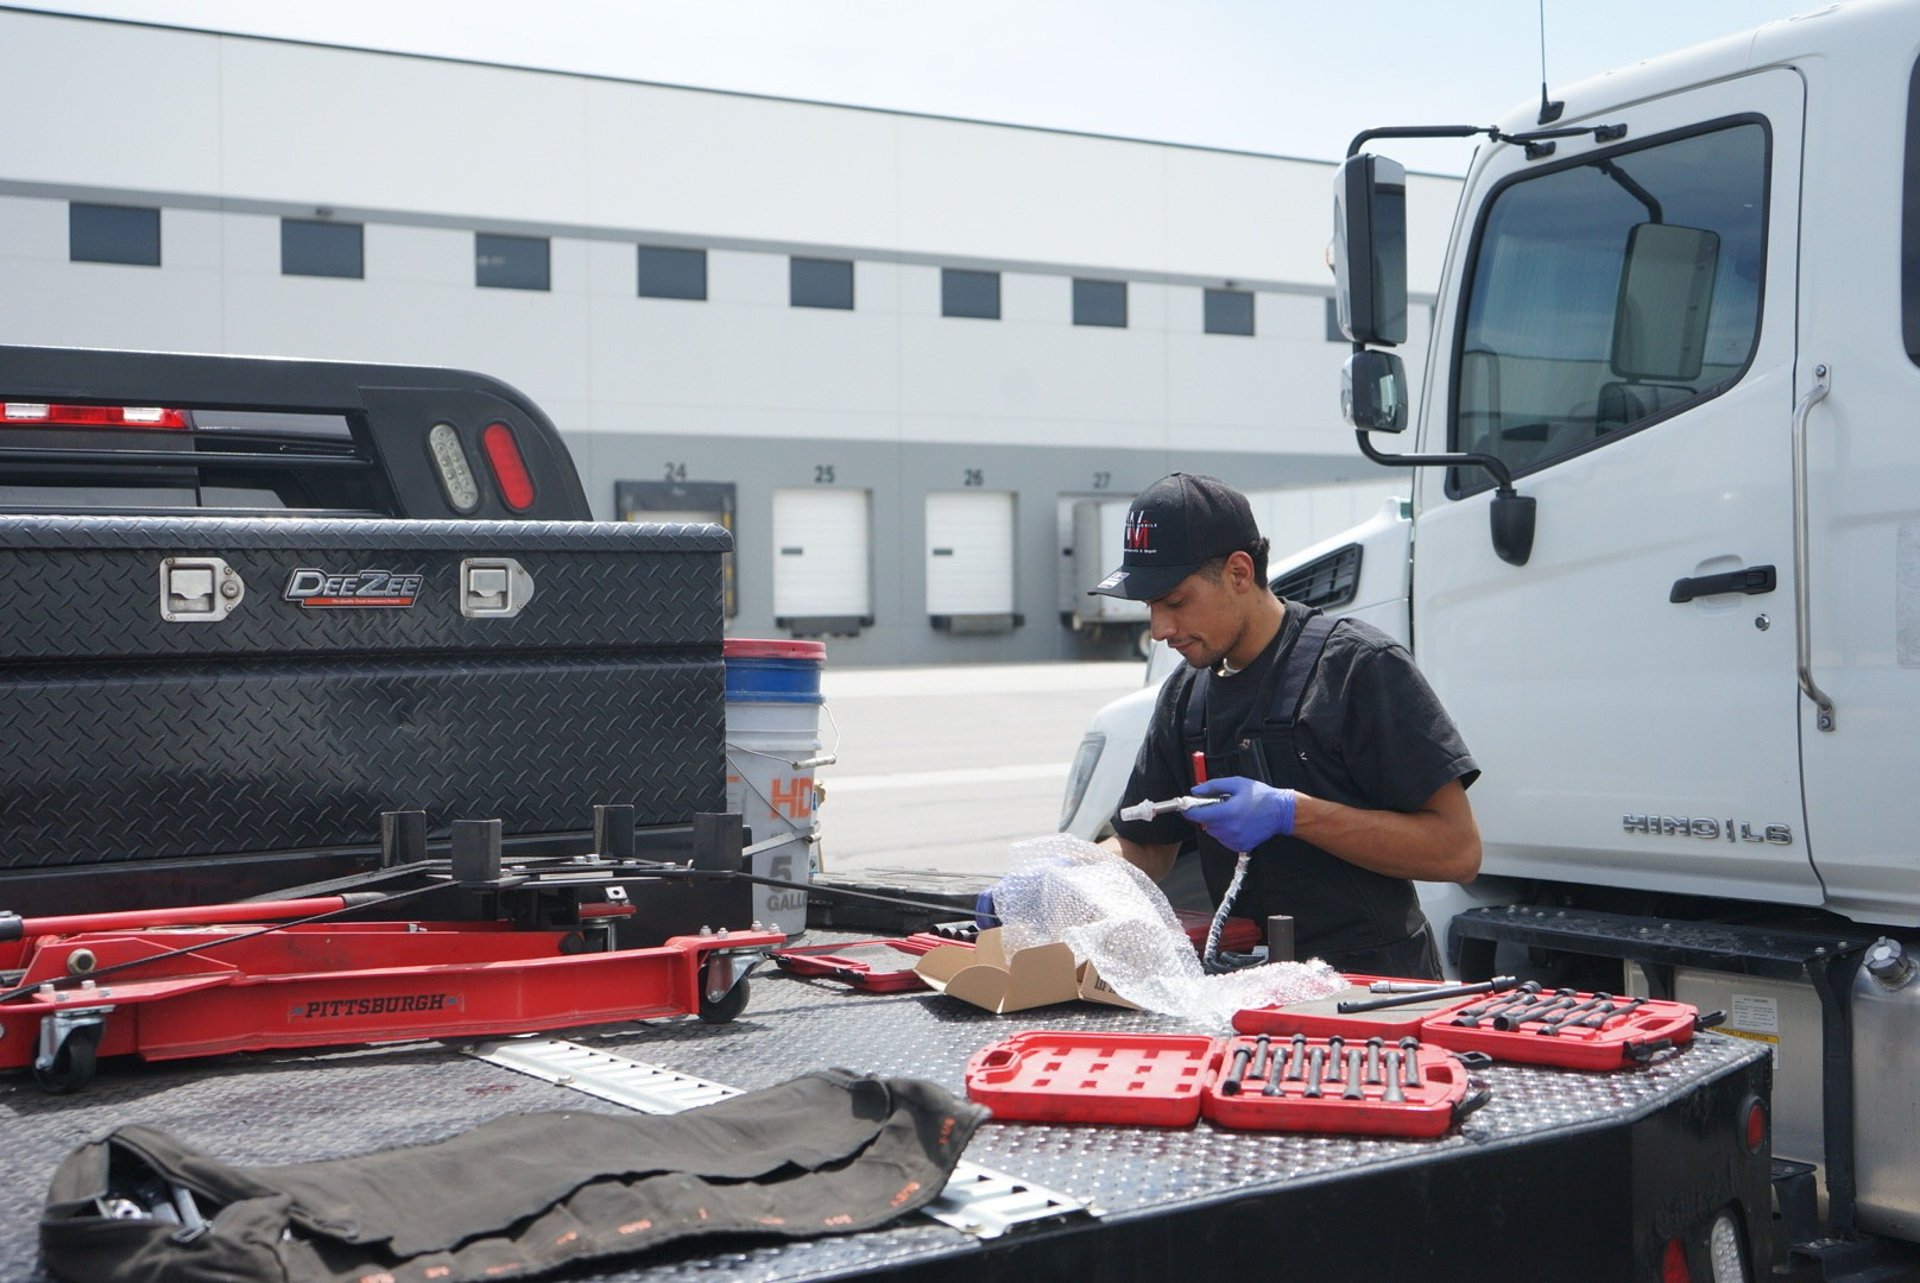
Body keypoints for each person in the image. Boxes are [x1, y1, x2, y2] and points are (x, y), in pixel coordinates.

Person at [1095, 472, 1480, 978]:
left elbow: (1457, 851)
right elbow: (1147, 845)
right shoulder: (1187, 696)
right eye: (1150, 607)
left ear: (1238, 572)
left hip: (1374, 998)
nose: (1160, 629)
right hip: (1247, 992)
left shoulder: (1357, 669)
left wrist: (1293, 814)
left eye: (1175, 601)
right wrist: (1068, 880)